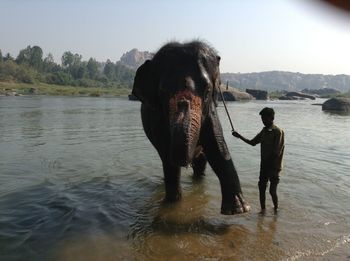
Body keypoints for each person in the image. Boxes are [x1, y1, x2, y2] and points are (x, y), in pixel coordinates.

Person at [232, 107, 284, 214]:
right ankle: (263, 211)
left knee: (272, 191)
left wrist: (268, 167)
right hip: (264, 166)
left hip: (274, 167)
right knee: (261, 188)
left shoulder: (278, 132)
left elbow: (276, 152)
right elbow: (252, 142)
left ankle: (276, 210)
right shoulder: (264, 131)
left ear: (272, 118)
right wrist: (239, 136)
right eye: (262, 119)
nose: (263, 121)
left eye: (265, 118)